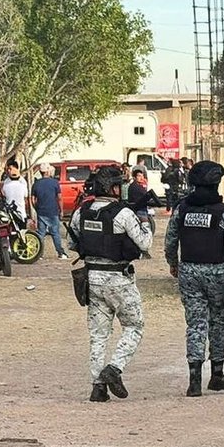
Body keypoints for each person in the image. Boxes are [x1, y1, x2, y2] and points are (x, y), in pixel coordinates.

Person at [69, 167, 152, 402]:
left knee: (98, 335)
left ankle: (98, 388)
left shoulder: (81, 212)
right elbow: (145, 243)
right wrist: (144, 219)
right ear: (113, 187)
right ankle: (114, 369)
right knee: (134, 326)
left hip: (91, 279)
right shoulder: (123, 214)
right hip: (119, 279)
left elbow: (72, 242)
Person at [164, 161, 224, 397]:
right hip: (219, 272)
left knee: (195, 324)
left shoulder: (182, 209)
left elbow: (170, 239)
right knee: (219, 322)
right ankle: (217, 374)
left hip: (189, 270)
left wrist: (173, 263)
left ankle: (194, 379)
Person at [32, 163, 67, 259]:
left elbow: (32, 200)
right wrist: (61, 210)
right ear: (47, 171)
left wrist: (37, 208)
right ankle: (61, 253)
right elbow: (59, 198)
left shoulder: (36, 183)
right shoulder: (54, 183)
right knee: (55, 232)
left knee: (41, 233)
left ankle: (39, 254)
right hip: (52, 211)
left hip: (41, 211)